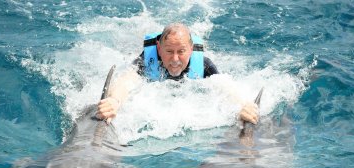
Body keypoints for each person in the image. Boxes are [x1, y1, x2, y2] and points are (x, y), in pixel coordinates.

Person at [97, 23, 259, 125]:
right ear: (159, 48)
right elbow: (126, 80)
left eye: (181, 51)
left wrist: (243, 106)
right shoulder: (147, 59)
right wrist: (114, 101)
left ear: (190, 49)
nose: (175, 59)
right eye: (169, 51)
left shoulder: (203, 64)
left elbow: (225, 86)